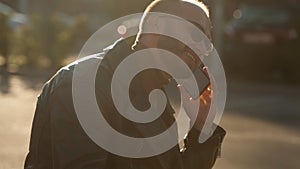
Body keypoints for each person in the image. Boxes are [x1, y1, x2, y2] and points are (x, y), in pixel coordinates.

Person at [25, 0, 226, 169]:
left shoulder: (155, 100)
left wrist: (201, 129)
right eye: (196, 34)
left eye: (207, 44)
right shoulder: (84, 84)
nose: (202, 49)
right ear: (157, 25)